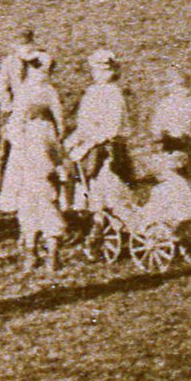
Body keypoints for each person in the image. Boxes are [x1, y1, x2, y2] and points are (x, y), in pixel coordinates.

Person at [65, 50, 134, 250]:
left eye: (104, 70)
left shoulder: (114, 94)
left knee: (106, 192)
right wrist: (70, 143)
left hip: (107, 151)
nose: (99, 74)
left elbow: (111, 129)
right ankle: (91, 228)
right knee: (86, 189)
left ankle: (106, 229)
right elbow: (83, 125)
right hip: (90, 150)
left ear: (112, 72)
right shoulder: (92, 92)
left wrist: (87, 145)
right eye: (96, 69)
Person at [0, 102, 66, 271]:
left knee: (29, 219)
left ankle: (32, 254)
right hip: (44, 182)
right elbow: (58, 157)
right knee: (50, 217)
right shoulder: (47, 133)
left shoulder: (20, 139)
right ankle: (52, 255)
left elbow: (13, 167)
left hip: (27, 184)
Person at [0, 29, 45, 190]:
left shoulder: (38, 60)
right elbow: (2, 86)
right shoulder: (9, 62)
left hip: (34, 107)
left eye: (28, 45)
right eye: (21, 45)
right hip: (13, 108)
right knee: (6, 146)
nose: (25, 48)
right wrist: (8, 107)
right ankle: (0, 180)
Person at [150, 67, 191, 194]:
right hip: (170, 141)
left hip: (187, 142)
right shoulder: (165, 104)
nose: (178, 89)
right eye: (173, 84)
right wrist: (158, 137)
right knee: (172, 169)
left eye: (181, 85)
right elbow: (157, 125)